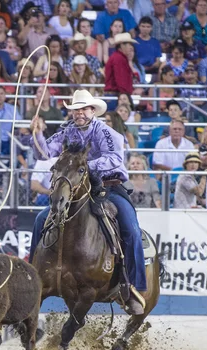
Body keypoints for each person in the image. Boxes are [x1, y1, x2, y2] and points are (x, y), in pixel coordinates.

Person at [25, 89, 146, 315]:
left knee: (131, 229)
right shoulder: (67, 132)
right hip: (78, 190)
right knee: (41, 219)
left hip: (109, 187)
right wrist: (38, 134)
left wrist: (84, 169)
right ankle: (32, 275)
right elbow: (43, 154)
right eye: (75, 109)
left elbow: (114, 158)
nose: (79, 113)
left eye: (83, 108)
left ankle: (132, 286)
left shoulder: (105, 132)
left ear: (92, 110)